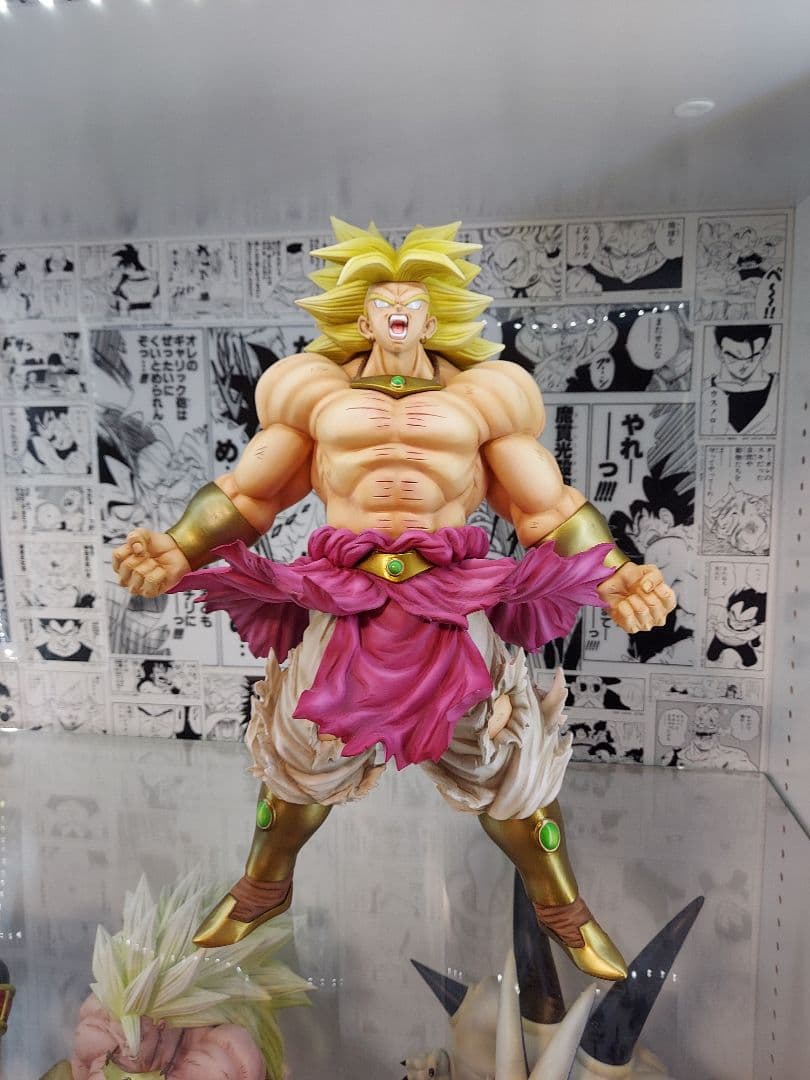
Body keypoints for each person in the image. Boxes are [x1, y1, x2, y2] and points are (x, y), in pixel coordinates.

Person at [113, 221, 675, 981]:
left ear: (434, 320)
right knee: (300, 755)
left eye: (413, 302)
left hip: (452, 603)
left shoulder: (483, 398)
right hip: (347, 601)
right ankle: (264, 889)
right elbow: (249, 495)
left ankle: (562, 911)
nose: (399, 312)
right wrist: (181, 545)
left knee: (510, 763)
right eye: (385, 302)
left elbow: (543, 507)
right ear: (364, 317)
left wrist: (615, 573)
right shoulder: (316, 394)